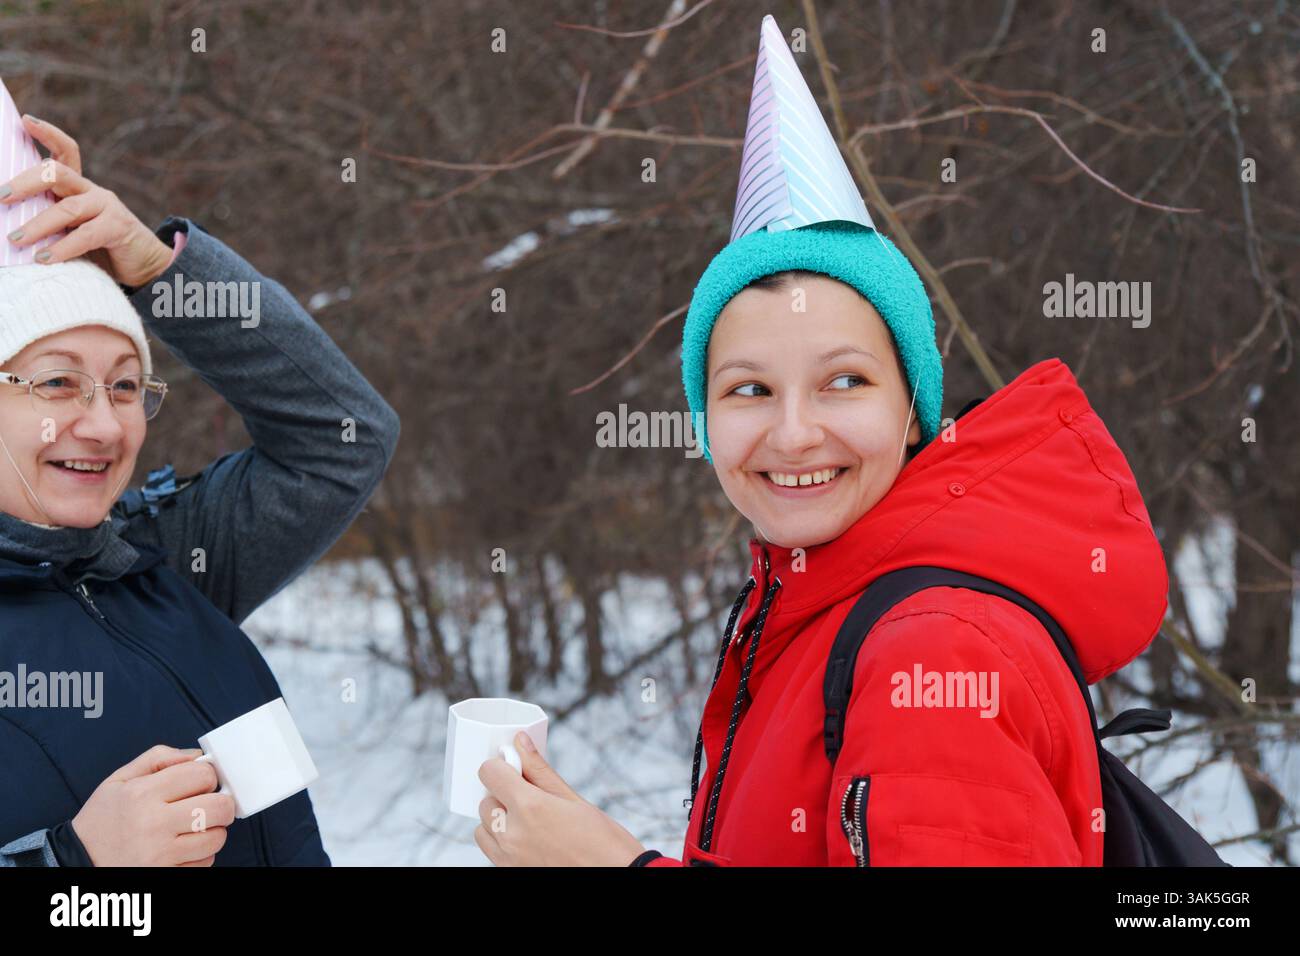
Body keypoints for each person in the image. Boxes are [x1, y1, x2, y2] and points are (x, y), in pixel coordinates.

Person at [472, 16, 1167, 867]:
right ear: (704, 420)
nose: (795, 434)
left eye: (844, 381)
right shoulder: (820, 610)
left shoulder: (934, 651)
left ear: (915, 408)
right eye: (749, 390)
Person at [0, 105, 399, 866]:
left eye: (124, 386)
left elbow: (342, 437)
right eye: (56, 382)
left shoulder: (156, 562)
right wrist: (70, 866)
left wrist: (158, 272)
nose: (105, 426)